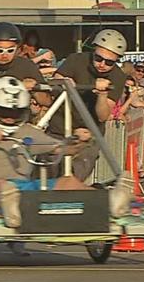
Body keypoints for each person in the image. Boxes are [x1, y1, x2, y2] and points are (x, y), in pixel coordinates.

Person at [0, 76, 133, 227]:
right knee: (3, 186)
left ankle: (110, 201)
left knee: (68, 181)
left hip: (25, 185)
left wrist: (80, 141)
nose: (9, 118)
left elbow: (61, 149)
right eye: (3, 112)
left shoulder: (27, 131)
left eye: (15, 113)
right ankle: (12, 210)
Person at [51, 28, 128, 180]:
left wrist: (102, 95)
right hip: (59, 128)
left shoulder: (118, 77)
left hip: (89, 134)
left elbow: (103, 116)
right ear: (93, 51)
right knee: (47, 173)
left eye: (109, 62)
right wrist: (63, 81)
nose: (102, 64)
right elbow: (54, 81)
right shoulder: (75, 60)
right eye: (98, 58)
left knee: (75, 176)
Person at [0, 22, 45, 118]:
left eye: (10, 50)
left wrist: (35, 90)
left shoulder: (27, 66)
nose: (5, 55)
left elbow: (47, 100)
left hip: (21, 123)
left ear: (17, 49)